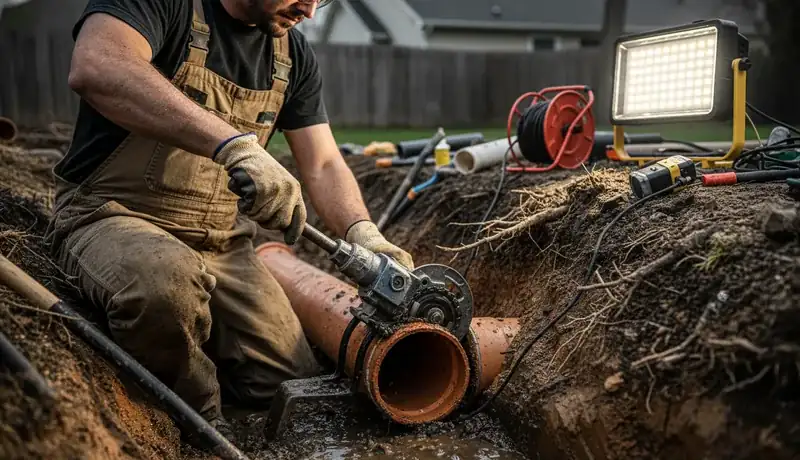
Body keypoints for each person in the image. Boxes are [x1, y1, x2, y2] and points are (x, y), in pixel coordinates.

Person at [44, 0, 414, 438]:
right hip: (111, 216)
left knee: (288, 382)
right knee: (165, 285)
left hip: (224, 242)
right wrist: (233, 144)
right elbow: (98, 65)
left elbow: (324, 163)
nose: (311, 11)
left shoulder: (292, 54)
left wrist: (363, 233)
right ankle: (194, 428)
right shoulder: (163, 6)